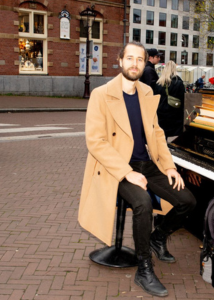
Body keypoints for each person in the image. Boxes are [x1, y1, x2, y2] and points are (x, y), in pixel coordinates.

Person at [78, 42, 196, 297]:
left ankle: (157, 237)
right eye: (129, 58)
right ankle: (144, 269)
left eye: (139, 59)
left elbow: (156, 133)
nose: (134, 63)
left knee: (187, 200)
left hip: (147, 164)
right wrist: (126, 172)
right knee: (142, 202)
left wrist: (169, 167)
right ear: (120, 61)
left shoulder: (146, 92)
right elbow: (95, 141)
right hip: (117, 167)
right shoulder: (101, 94)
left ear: (145, 64)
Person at [154, 61, 185, 141]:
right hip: (174, 114)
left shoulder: (159, 83)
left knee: (162, 134)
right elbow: (183, 98)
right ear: (175, 69)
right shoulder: (178, 82)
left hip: (160, 113)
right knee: (173, 135)